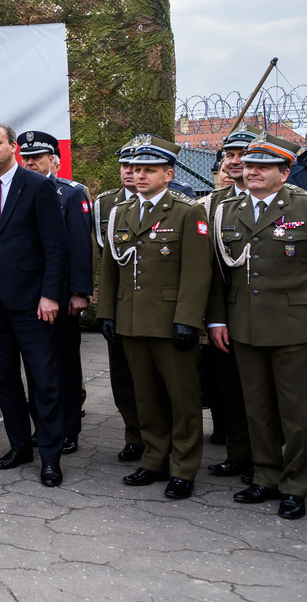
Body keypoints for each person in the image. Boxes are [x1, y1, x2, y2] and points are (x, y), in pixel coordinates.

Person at [99, 134, 211, 500]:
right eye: (136, 169)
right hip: (131, 319)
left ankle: (183, 468)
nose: (140, 175)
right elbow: (111, 267)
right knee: (145, 397)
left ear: (168, 173)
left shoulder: (187, 211)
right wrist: (108, 314)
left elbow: (198, 273)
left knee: (182, 399)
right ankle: (153, 459)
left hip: (169, 321)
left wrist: (188, 320)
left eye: (150, 170)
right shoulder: (124, 212)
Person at [208, 131, 307, 519]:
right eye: (249, 166)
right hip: (243, 325)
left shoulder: (302, 206)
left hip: (294, 325)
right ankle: (265, 476)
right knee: (257, 409)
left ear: (285, 172)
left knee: (296, 413)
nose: (251, 172)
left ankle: (297, 484)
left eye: (263, 167)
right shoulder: (225, 211)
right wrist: (217, 319)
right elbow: (217, 274)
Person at [0, 124, 68, 487]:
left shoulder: (39, 186)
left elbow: (55, 246)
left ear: (13, 147)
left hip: (32, 301)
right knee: (3, 378)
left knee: (43, 379)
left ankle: (51, 457)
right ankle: (19, 445)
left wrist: (50, 294)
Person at [18, 131, 93, 455]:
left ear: (54, 160)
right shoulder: (16, 193)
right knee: (37, 367)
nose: (31, 162)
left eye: (38, 157)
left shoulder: (71, 193)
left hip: (61, 297)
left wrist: (80, 292)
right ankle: (46, 426)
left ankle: (67, 428)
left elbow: (80, 246)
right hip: (28, 297)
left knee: (63, 365)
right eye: (27, 157)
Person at [200, 125, 259, 482]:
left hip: (272, 314)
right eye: (231, 155)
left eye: (244, 155)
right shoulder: (209, 206)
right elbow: (202, 266)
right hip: (226, 314)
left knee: (268, 393)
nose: (236, 161)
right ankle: (239, 455)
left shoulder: (292, 199)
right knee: (231, 390)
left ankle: (271, 460)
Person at [92, 139, 145, 461]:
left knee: (158, 383)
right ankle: (134, 436)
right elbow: (104, 260)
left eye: (138, 167)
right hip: (121, 303)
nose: (131, 172)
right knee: (123, 381)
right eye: (126, 165)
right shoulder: (107, 204)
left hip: (158, 308)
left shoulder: (181, 201)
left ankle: (162, 442)